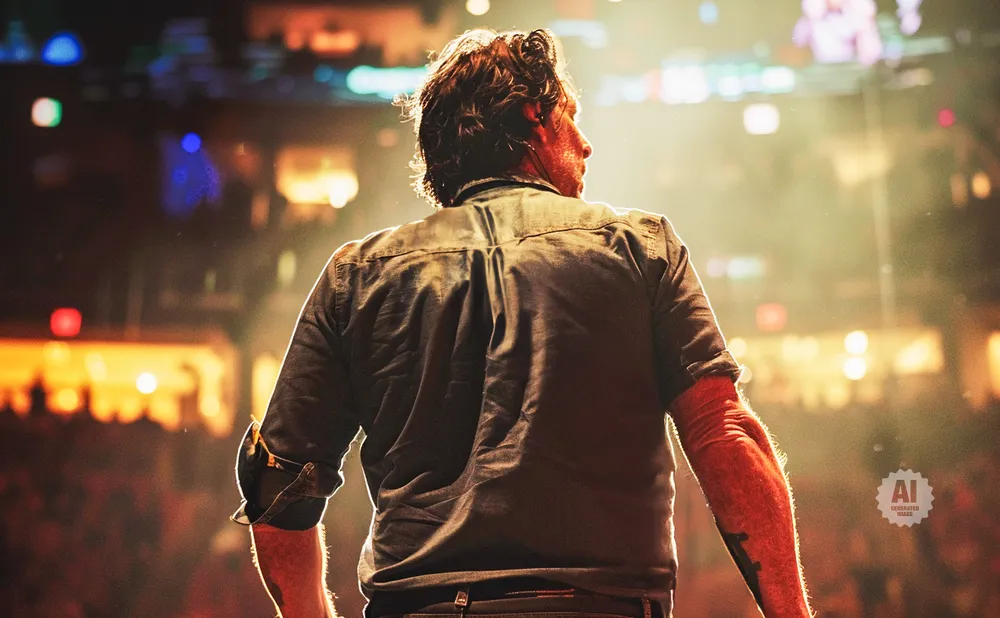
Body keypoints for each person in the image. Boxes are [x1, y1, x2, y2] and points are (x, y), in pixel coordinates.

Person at [232, 28, 813, 618]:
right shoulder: (639, 249)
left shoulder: (357, 276)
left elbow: (276, 483)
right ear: (536, 118)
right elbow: (724, 434)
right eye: (572, 117)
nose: (586, 145)